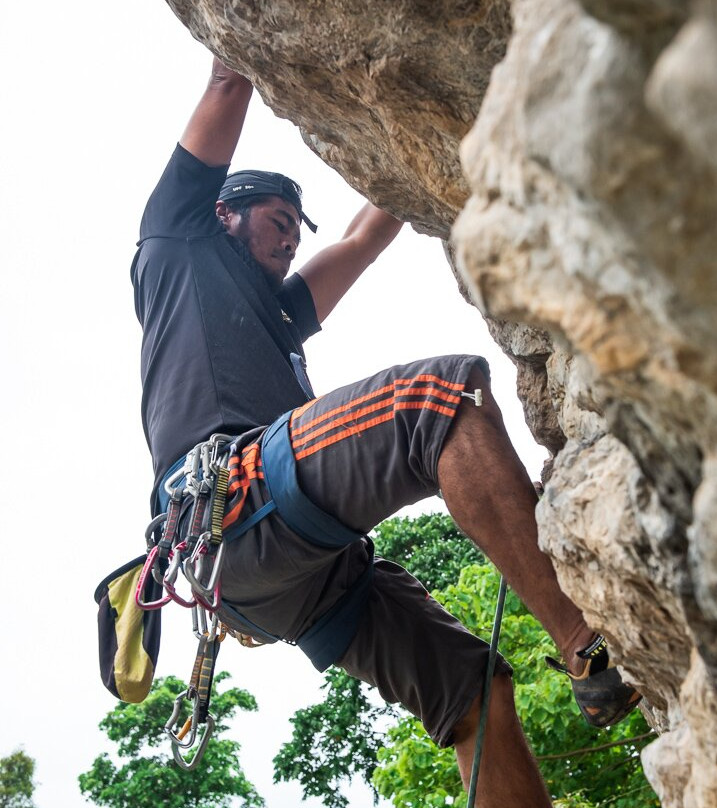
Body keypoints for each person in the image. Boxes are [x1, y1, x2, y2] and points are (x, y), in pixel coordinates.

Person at [131, 57, 640, 808]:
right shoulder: (175, 245)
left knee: (470, 687)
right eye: (276, 226)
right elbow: (225, 83)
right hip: (229, 506)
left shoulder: (279, 313)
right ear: (222, 216)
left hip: (286, 581)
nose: (288, 246)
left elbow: (366, 238)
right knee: (440, 397)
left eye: (294, 236)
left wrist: (416, 136)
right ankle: (586, 643)